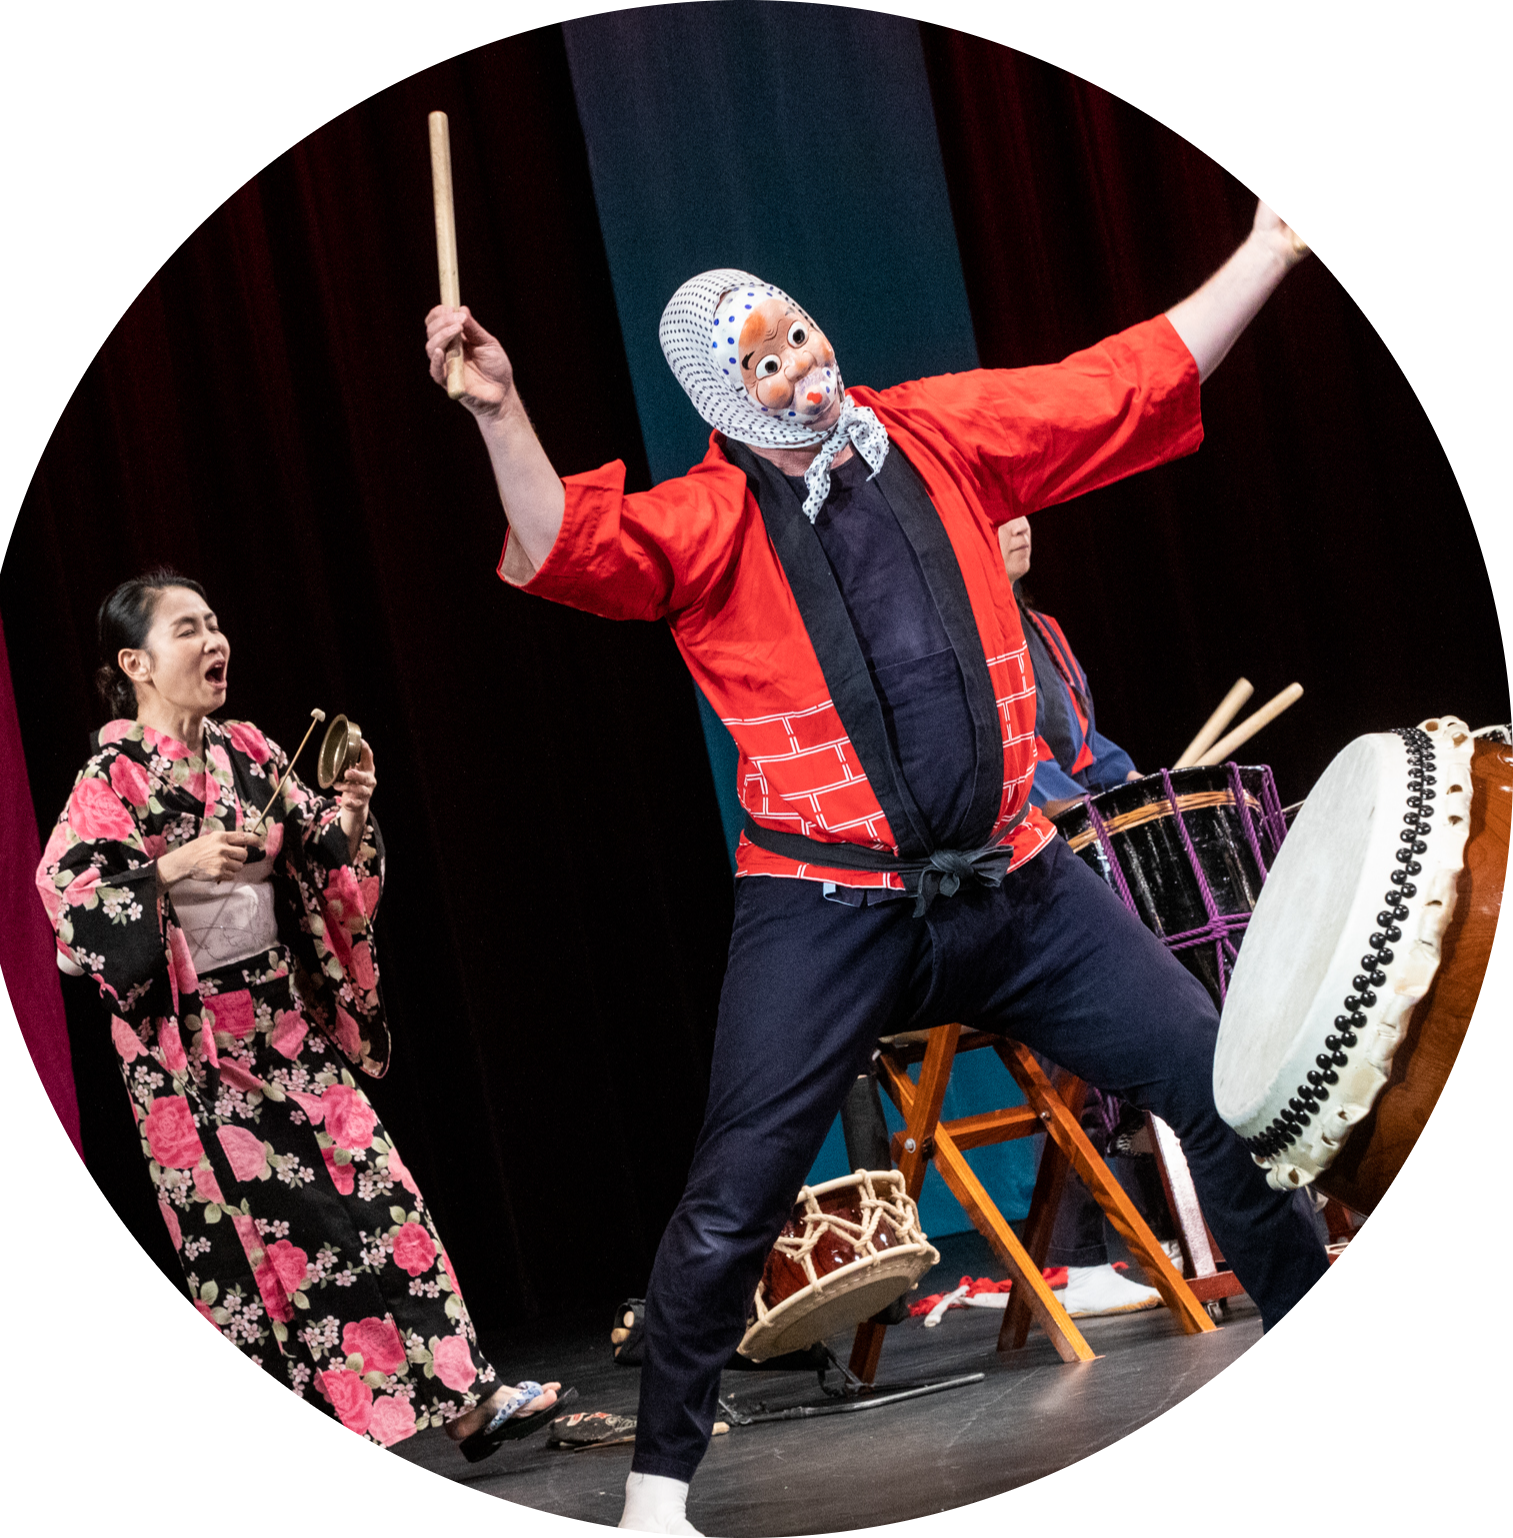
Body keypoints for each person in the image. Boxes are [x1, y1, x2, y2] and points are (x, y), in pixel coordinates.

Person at [425, 201, 1329, 1535]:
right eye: (769, 358)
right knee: (735, 1188)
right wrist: (501, 410)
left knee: (1213, 1079)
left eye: (799, 328)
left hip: (1018, 885)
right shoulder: (707, 523)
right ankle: (658, 1490)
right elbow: (568, 542)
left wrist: (1266, 247)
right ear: (729, 398)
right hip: (826, 906)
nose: (804, 360)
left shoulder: (936, 437)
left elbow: (1119, 380)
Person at [35, 571, 573, 1457]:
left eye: (215, 623)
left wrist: (353, 810)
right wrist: (173, 866)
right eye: (186, 630)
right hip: (193, 1060)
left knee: (382, 1201)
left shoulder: (247, 748)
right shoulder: (111, 779)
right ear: (135, 662)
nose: (214, 643)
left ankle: (468, 1398)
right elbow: (72, 904)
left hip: (282, 1023)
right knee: (266, 1257)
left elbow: (326, 860)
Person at [999, 515, 1182, 1318]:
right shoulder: (959, 635)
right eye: (995, 515)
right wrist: (1080, 805)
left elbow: (1081, 748)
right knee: (1067, 1048)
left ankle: (1172, 1222)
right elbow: (1011, 762)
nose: (1019, 525)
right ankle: (1073, 1260)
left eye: (1022, 510)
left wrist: (1140, 784)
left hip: (1073, 845)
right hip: (1016, 865)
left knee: (1168, 1002)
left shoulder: (1045, 630)